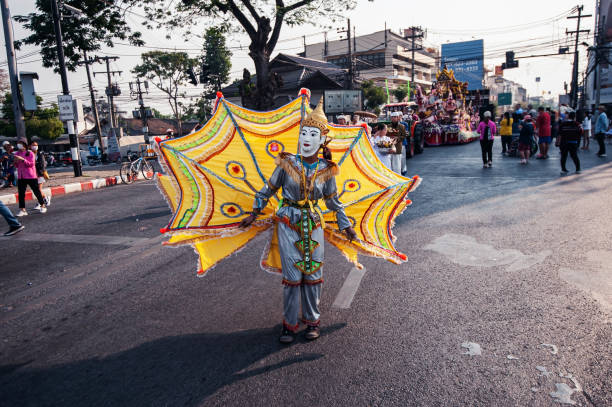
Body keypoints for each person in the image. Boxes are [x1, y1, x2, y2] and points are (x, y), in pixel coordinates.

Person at [238, 100, 356, 343]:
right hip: (287, 223)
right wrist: (254, 212)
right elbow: (266, 191)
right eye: (303, 133)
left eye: (313, 134)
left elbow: (334, 202)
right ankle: (289, 324)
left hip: (314, 223)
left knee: (313, 275)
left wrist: (346, 225)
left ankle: (312, 321)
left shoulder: (327, 169)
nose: (306, 138)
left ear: (322, 141)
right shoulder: (286, 162)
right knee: (292, 277)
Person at [14, 138, 47, 216]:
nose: (19, 145)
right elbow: (16, 166)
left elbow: (31, 164)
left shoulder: (30, 153)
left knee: (36, 191)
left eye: (20, 143)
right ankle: (22, 210)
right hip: (21, 176)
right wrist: (15, 161)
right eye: (18, 143)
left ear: (24, 144)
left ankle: (43, 205)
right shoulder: (17, 153)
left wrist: (22, 160)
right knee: (21, 194)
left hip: (30, 176)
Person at [556, 111, 581, 175]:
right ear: (574, 117)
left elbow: (559, 134)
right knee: (574, 156)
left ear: (568, 116)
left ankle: (563, 169)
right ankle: (578, 169)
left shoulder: (563, 124)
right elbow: (580, 132)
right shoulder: (577, 124)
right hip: (573, 142)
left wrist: (557, 142)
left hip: (564, 143)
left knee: (564, 156)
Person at [30, 141, 51, 208]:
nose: (34, 146)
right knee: (36, 190)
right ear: (30, 146)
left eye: (36, 145)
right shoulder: (29, 154)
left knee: (38, 190)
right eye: (33, 145)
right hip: (32, 175)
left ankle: (43, 200)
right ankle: (42, 200)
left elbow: (43, 164)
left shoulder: (40, 154)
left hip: (39, 174)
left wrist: (36, 165)